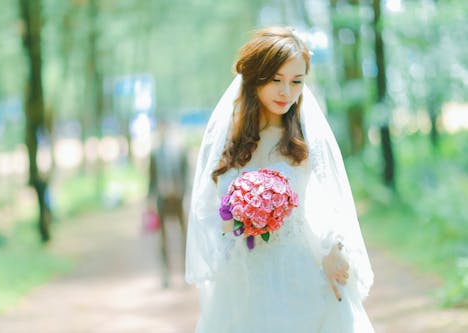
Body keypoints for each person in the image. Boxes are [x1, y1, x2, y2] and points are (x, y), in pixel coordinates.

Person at [185, 27, 375, 332]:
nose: (286, 92)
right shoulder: (226, 143)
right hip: (244, 280)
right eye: (276, 80)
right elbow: (206, 210)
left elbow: (328, 199)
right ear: (255, 77)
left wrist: (334, 248)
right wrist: (240, 218)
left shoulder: (303, 140)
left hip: (301, 272)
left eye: (296, 82)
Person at [148, 119, 188, 288]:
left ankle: (186, 272)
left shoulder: (179, 150)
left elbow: (186, 174)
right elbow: (151, 178)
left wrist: (186, 194)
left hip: (178, 198)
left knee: (183, 236)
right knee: (163, 238)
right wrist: (149, 200)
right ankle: (166, 274)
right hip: (162, 198)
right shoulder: (155, 153)